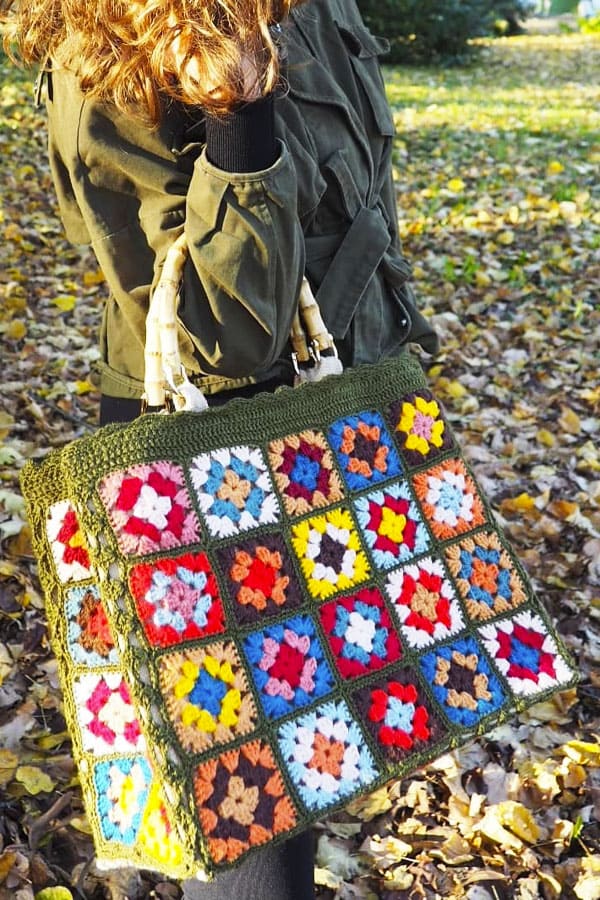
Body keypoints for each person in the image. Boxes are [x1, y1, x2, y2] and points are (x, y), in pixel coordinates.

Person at [1, 1, 438, 897]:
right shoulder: (112, 46)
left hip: (338, 435)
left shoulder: (308, 7)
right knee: (251, 834)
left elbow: (355, 199)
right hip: (205, 469)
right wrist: (241, 115)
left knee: (321, 769)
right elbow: (221, 337)